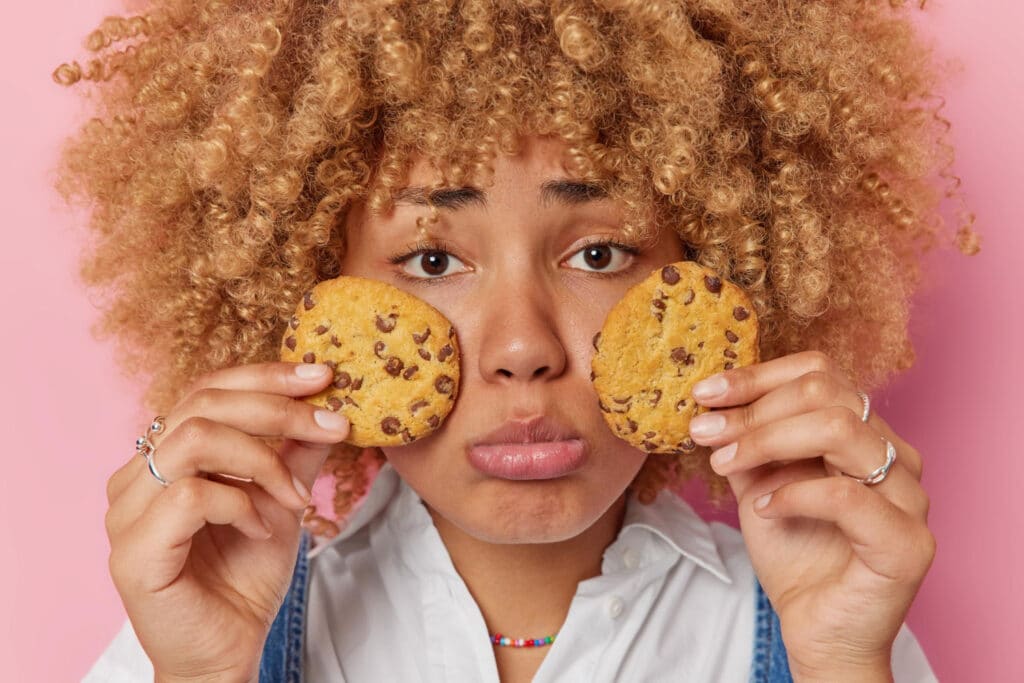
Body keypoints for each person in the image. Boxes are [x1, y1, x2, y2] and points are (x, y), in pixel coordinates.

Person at [55, 1, 977, 681]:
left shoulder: (827, 630)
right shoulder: (192, 630)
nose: (522, 346)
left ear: (715, 269)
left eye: (600, 251)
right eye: (429, 258)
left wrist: (844, 662)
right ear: (307, 294)